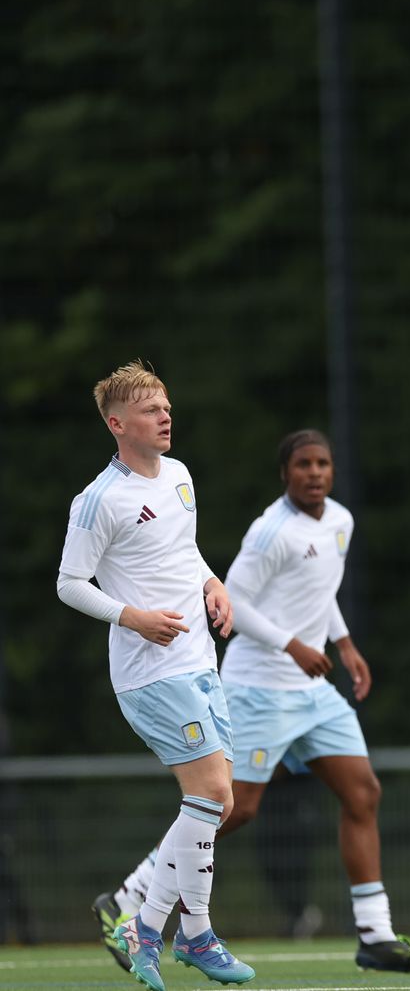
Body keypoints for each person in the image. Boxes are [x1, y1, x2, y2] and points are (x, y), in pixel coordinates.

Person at [94, 429, 410, 973]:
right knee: (232, 809)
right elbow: (238, 602)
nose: (314, 472)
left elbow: (321, 592)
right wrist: (294, 645)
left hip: (314, 689)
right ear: (286, 473)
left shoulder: (341, 522)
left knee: (363, 792)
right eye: (303, 464)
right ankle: (130, 898)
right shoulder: (269, 532)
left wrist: (345, 643)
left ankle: (376, 935)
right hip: (258, 687)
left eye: (322, 463)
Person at [58, 360, 254, 990]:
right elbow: (69, 584)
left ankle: (156, 925)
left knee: (216, 800)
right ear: (117, 424)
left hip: (200, 660)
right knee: (210, 797)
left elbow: (183, 549)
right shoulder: (97, 500)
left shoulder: (179, 475)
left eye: (165, 405)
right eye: (149, 409)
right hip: (151, 671)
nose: (164, 415)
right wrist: (134, 617)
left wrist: (212, 580)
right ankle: (183, 930)